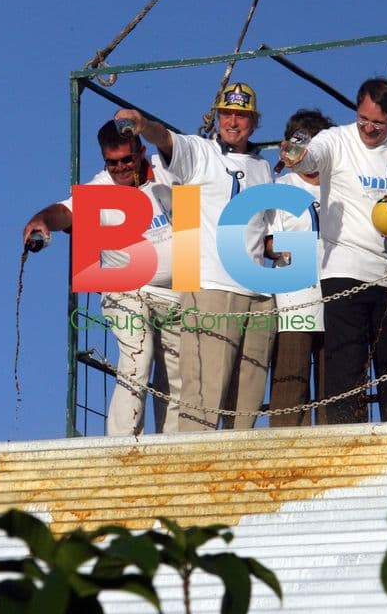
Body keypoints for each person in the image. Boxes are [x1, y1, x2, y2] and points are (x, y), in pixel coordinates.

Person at [114, 83, 275, 432]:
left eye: (241, 116)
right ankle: (193, 476)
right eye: (226, 114)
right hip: (211, 288)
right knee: (201, 403)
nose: (233, 122)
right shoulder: (200, 152)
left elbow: (268, 231)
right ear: (216, 116)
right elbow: (166, 139)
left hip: (260, 293)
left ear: (254, 121)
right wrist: (142, 125)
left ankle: (233, 477)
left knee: (245, 408)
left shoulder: (264, 167)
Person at [23, 120, 180, 436]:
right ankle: (121, 444)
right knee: (137, 355)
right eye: (112, 162)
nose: (120, 168)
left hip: (175, 291)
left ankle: (173, 447)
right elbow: (65, 211)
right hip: (125, 290)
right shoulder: (100, 188)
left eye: (126, 160)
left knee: (179, 374)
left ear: (141, 151)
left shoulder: (169, 175)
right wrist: (41, 219)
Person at [279, 78, 387, 424]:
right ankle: (344, 435)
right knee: (345, 365)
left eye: (378, 123)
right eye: (363, 118)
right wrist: (299, 157)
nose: (368, 128)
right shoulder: (336, 139)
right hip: (343, 269)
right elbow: (311, 159)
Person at [267, 109, 334, 427]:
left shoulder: (340, 183)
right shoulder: (281, 186)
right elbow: (264, 241)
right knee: (289, 385)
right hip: (294, 301)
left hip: (337, 293)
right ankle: (284, 458)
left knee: (335, 384)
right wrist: (283, 247)